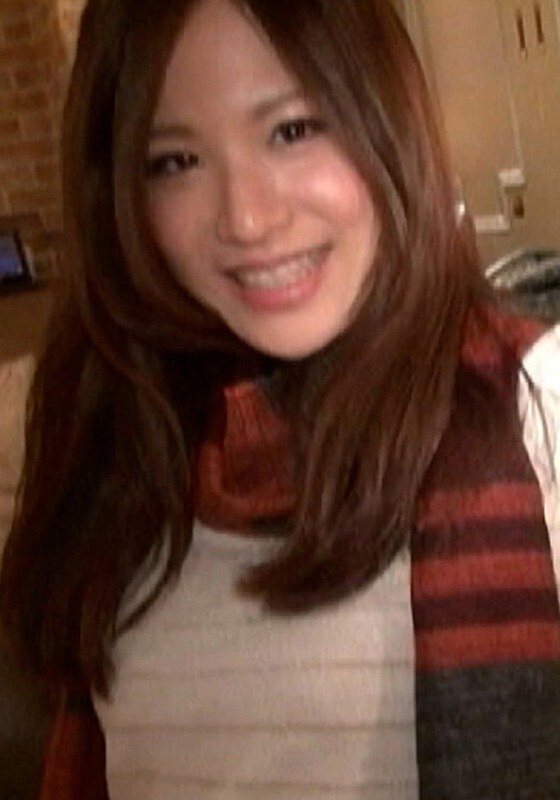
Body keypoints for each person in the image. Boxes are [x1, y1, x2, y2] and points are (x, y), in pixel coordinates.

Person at [1, 0, 559, 797]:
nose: (249, 217)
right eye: (174, 161)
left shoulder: (537, 406)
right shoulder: (120, 448)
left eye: (293, 129)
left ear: (388, 121)